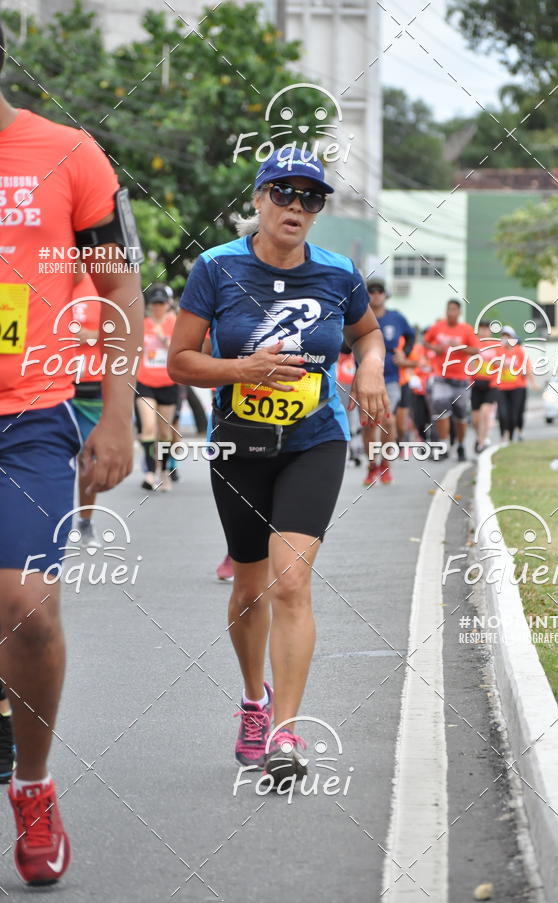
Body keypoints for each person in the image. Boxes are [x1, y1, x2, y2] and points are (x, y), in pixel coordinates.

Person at [168, 149, 387, 785]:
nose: (297, 207)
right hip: (241, 445)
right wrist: (242, 370)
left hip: (315, 440)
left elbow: (365, 334)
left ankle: (286, 733)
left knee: (291, 581)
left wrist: (369, 366)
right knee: (249, 585)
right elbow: (181, 361)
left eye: (311, 199)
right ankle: (254, 701)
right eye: (285, 194)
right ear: (259, 198)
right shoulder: (216, 268)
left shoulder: (339, 274)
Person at [0, 22, 143, 885]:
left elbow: (119, 281)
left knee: (27, 607)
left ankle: (34, 784)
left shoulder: (68, 153)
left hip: (30, 416)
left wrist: (118, 415)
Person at [363, 280, 414, 485]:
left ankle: (385, 464)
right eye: (371, 291)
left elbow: (411, 336)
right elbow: (346, 345)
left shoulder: (396, 318)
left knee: (388, 421)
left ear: (386, 295)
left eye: (380, 291)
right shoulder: (358, 317)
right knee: (369, 425)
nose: (376, 295)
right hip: (365, 380)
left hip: (391, 379)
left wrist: (405, 354)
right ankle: (371, 466)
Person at [68, 271, 105, 546]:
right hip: (54, 384)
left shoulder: (102, 287)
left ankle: (85, 522)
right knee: (49, 460)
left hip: (92, 386)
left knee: (88, 462)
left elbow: (117, 334)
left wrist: (87, 336)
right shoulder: (51, 283)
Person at [424, 299, 479, 461]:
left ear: (459, 312)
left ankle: (461, 445)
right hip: (441, 376)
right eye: (449, 309)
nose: (451, 312)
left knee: (460, 416)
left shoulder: (466, 330)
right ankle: (443, 445)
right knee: (441, 412)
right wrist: (436, 348)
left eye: (454, 309)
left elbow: (476, 350)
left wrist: (461, 347)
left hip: (461, 379)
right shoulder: (438, 327)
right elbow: (425, 341)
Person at [135, 283, 178, 491]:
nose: (157, 307)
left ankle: (164, 471)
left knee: (164, 434)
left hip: (168, 383)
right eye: (154, 304)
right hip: (145, 382)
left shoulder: (175, 324)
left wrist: (163, 337)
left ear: (168, 305)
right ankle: (150, 473)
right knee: (148, 427)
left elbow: (179, 350)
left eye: (161, 304)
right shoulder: (141, 324)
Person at [496, 326, 534, 442]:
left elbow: (526, 368)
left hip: (518, 387)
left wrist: (532, 382)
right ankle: (504, 435)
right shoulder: (498, 350)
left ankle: (515, 434)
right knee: (503, 414)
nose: (505, 339)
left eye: (508, 336)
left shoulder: (519, 351)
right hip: (501, 387)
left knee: (516, 413)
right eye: (503, 336)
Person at [469, 320, 501, 453]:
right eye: (481, 329)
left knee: (485, 412)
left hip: (491, 383)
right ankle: (479, 437)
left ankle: (483, 441)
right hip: (476, 383)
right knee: (475, 419)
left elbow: (501, 362)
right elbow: (469, 362)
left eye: (486, 329)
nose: (484, 332)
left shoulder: (497, 345)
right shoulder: (474, 344)